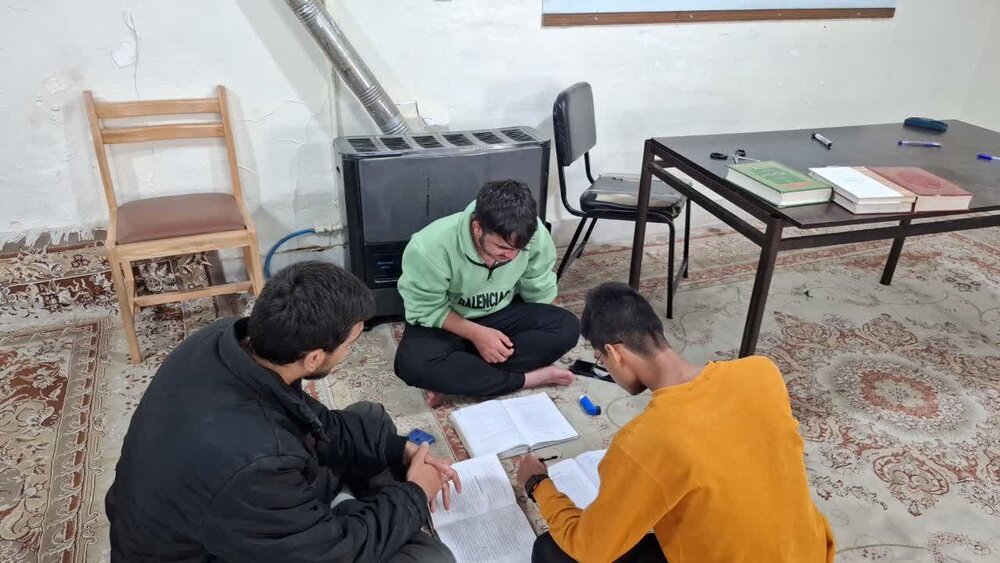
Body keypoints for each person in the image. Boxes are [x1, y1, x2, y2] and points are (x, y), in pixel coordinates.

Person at [106, 261, 462, 562]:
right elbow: (335, 554)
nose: (350, 352)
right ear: (314, 358)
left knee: (370, 420)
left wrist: (399, 449)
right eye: (351, 344)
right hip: (210, 548)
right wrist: (416, 494)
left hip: (228, 504)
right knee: (428, 558)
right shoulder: (258, 460)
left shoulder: (222, 340)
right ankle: (355, 506)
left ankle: (356, 502)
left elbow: (312, 419)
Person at [517, 282, 836, 563]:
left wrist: (538, 485)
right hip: (809, 553)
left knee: (551, 551)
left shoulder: (644, 439)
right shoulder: (762, 371)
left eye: (601, 360)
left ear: (615, 354)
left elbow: (591, 549)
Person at [394, 179, 579, 405]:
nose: (511, 256)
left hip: (503, 313)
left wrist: (538, 329)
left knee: (567, 327)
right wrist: (477, 335)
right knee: (412, 364)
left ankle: (457, 377)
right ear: (477, 227)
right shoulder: (429, 247)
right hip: (448, 322)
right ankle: (527, 379)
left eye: (519, 249)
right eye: (501, 247)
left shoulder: (533, 233)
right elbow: (426, 309)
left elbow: (538, 288)